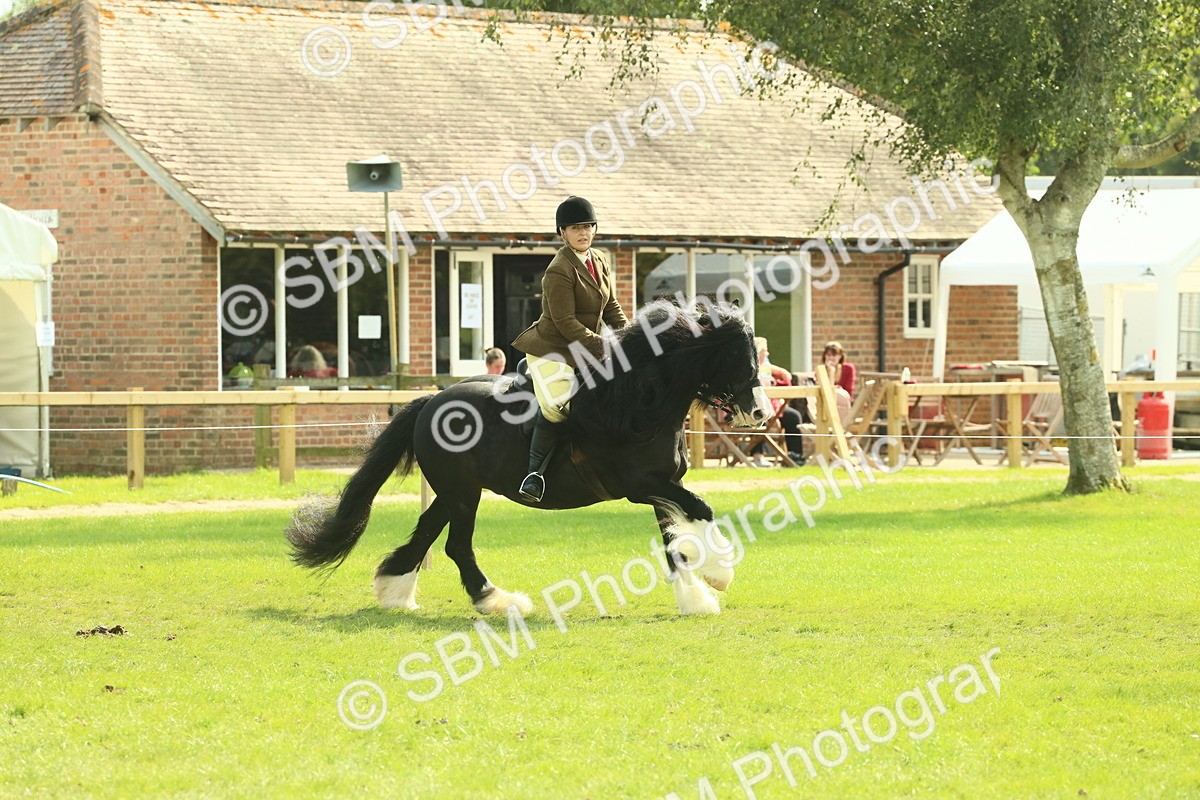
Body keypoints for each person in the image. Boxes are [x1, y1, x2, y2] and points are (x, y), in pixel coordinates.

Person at [511, 196, 629, 502]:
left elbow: (611, 306)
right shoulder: (558, 270)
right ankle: (533, 475)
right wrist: (602, 344)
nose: (583, 232)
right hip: (552, 347)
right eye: (576, 227)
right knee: (559, 405)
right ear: (562, 232)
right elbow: (564, 322)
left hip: (585, 345)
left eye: (588, 226)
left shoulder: (600, 259)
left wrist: (631, 336)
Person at [752, 337, 804, 466]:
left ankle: (794, 456)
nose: (767, 354)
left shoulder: (765, 365)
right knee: (759, 416)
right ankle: (758, 456)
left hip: (772, 406)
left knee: (793, 416)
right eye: (764, 351)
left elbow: (779, 372)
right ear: (757, 351)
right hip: (752, 407)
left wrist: (781, 371)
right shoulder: (749, 367)